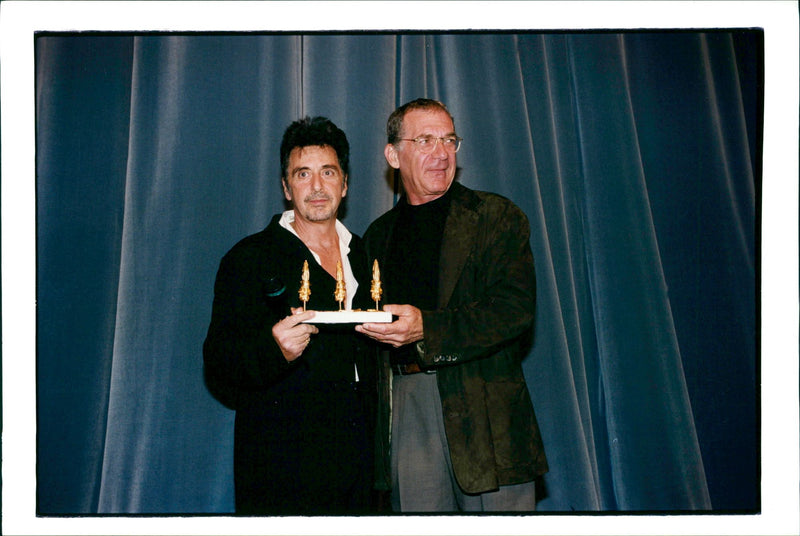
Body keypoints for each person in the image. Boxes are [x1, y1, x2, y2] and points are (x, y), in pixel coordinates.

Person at [356, 98, 548, 512]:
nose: (441, 152)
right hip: (408, 408)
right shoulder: (376, 237)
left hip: (487, 410)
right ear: (393, 155)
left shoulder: (495, 216)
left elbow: (514, 310)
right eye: (425, 140)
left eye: (449, 140)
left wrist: (428, 327)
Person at [203, 116, 376, 515]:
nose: (317, 187)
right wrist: (273, 351)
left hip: (361, 465)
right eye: (303, 174)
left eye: (328, 172)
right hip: (281, 468)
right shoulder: (249, 258)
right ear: (285, 187)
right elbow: (218, 363)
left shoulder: (368, 257)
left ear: (345, 184)